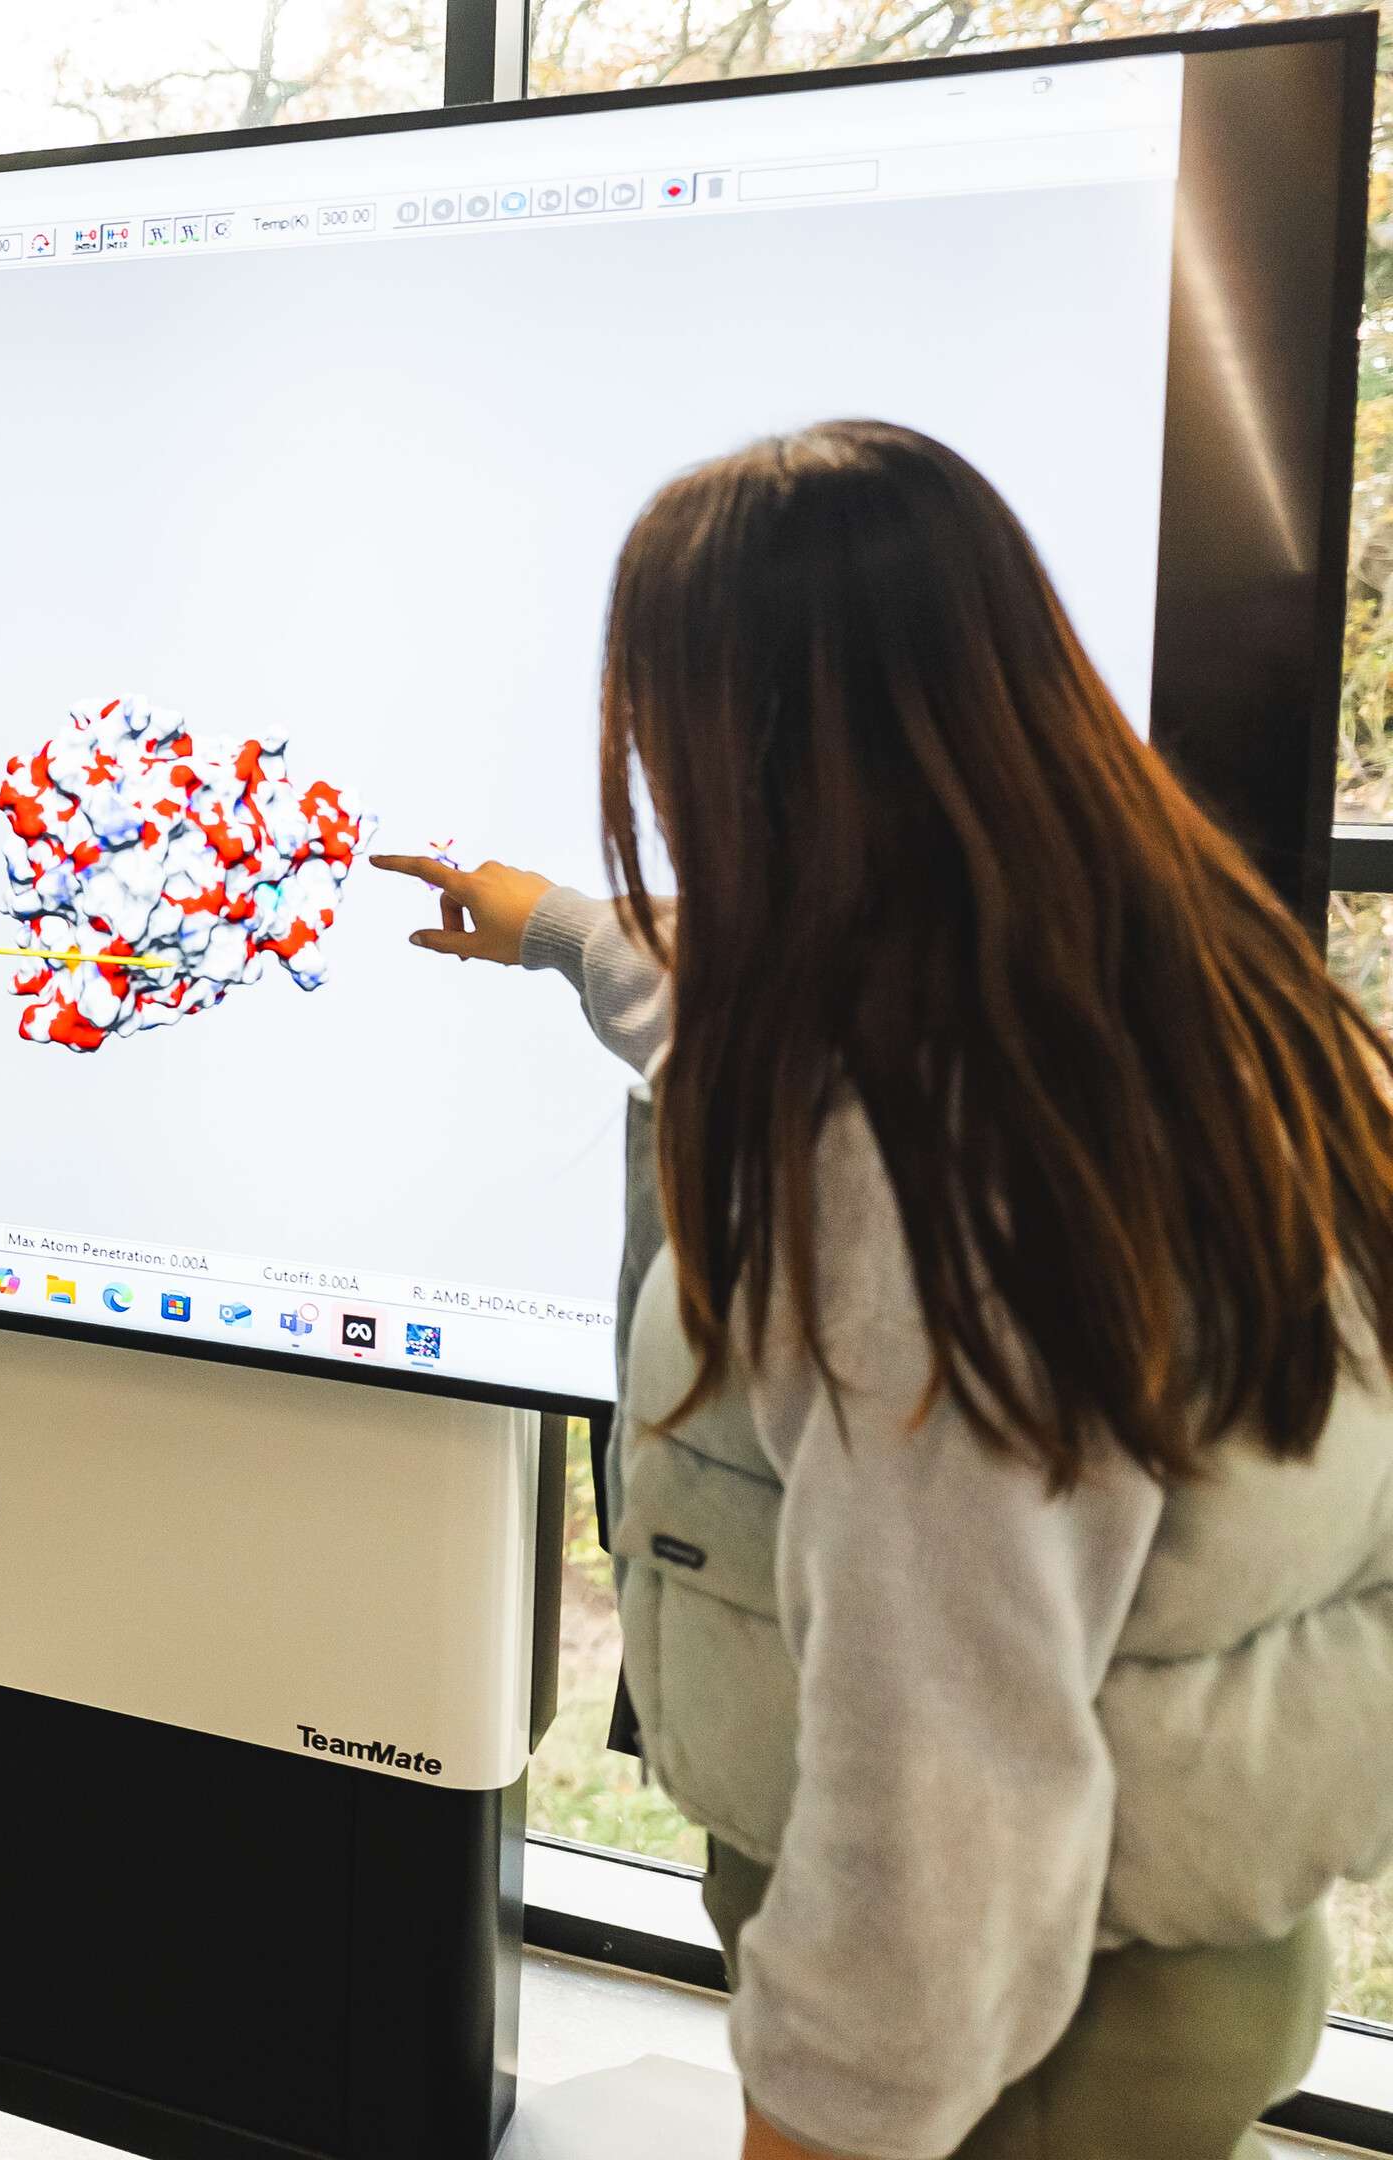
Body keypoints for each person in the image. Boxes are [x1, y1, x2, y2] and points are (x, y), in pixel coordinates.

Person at [381, 420, 1393, 2160]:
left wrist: (820, 2126)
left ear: (757, 747)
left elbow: (943, 1759)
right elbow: (764, 1032)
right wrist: (560, 926)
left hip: (1017, 2016)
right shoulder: (1162, 981)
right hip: (1167, 1952)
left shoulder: (929, 1157)